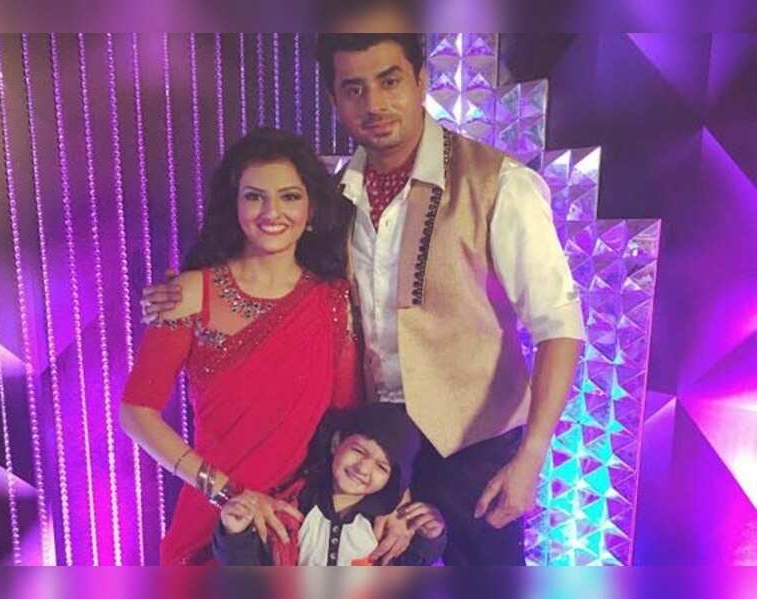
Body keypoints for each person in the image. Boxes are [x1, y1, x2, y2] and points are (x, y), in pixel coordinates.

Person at [142, 33, 585, 566]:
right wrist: (183, 290)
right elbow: (270, 267)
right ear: (335, 99)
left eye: (389, 81)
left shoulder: (499, 183)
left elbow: (559, 325)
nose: (374, 103)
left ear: (421, 81)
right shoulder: (331, 198)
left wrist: (532, 456)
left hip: (474, 447)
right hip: (369, 450)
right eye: (354, 89)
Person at [120, 127, 363, 565]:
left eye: (289, 196)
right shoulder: (189, 293)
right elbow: (136, 411)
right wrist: (225, 492)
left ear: (311, 209)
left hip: (300, 518)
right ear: (234, 206)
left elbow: (346, 418)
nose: (272, 212)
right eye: (254, 197)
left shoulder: (332, 300)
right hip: (214, 514)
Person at [212, 403, 446, 566]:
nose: (364, 468)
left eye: (381, 467)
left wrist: (430, 538)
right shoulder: (293, 508)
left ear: (391, 480)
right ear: (336, 442)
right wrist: (235, 533)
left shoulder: (384, 527)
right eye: (358, 450)